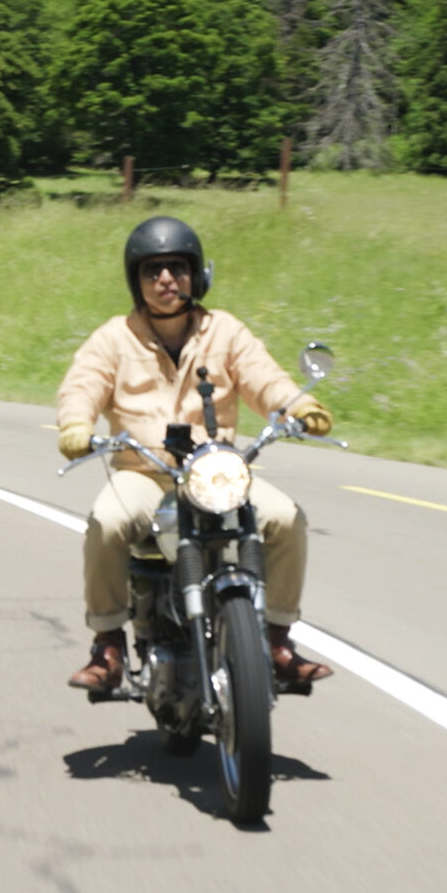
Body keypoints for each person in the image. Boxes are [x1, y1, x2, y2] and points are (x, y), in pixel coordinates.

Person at [53, 215, 336, 693]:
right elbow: (82, 385)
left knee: (286, 519)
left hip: (215, 473)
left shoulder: (224, 331)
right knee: (107, 523)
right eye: (153, 270)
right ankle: (108, 645)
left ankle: (276, 641)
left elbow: (263, 377)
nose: (166, 279)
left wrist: (299, 405)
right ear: (136, 280)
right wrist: (76, 425)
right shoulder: (114, 337)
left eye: (177, 268)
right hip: (144, 472)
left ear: (196, 273)